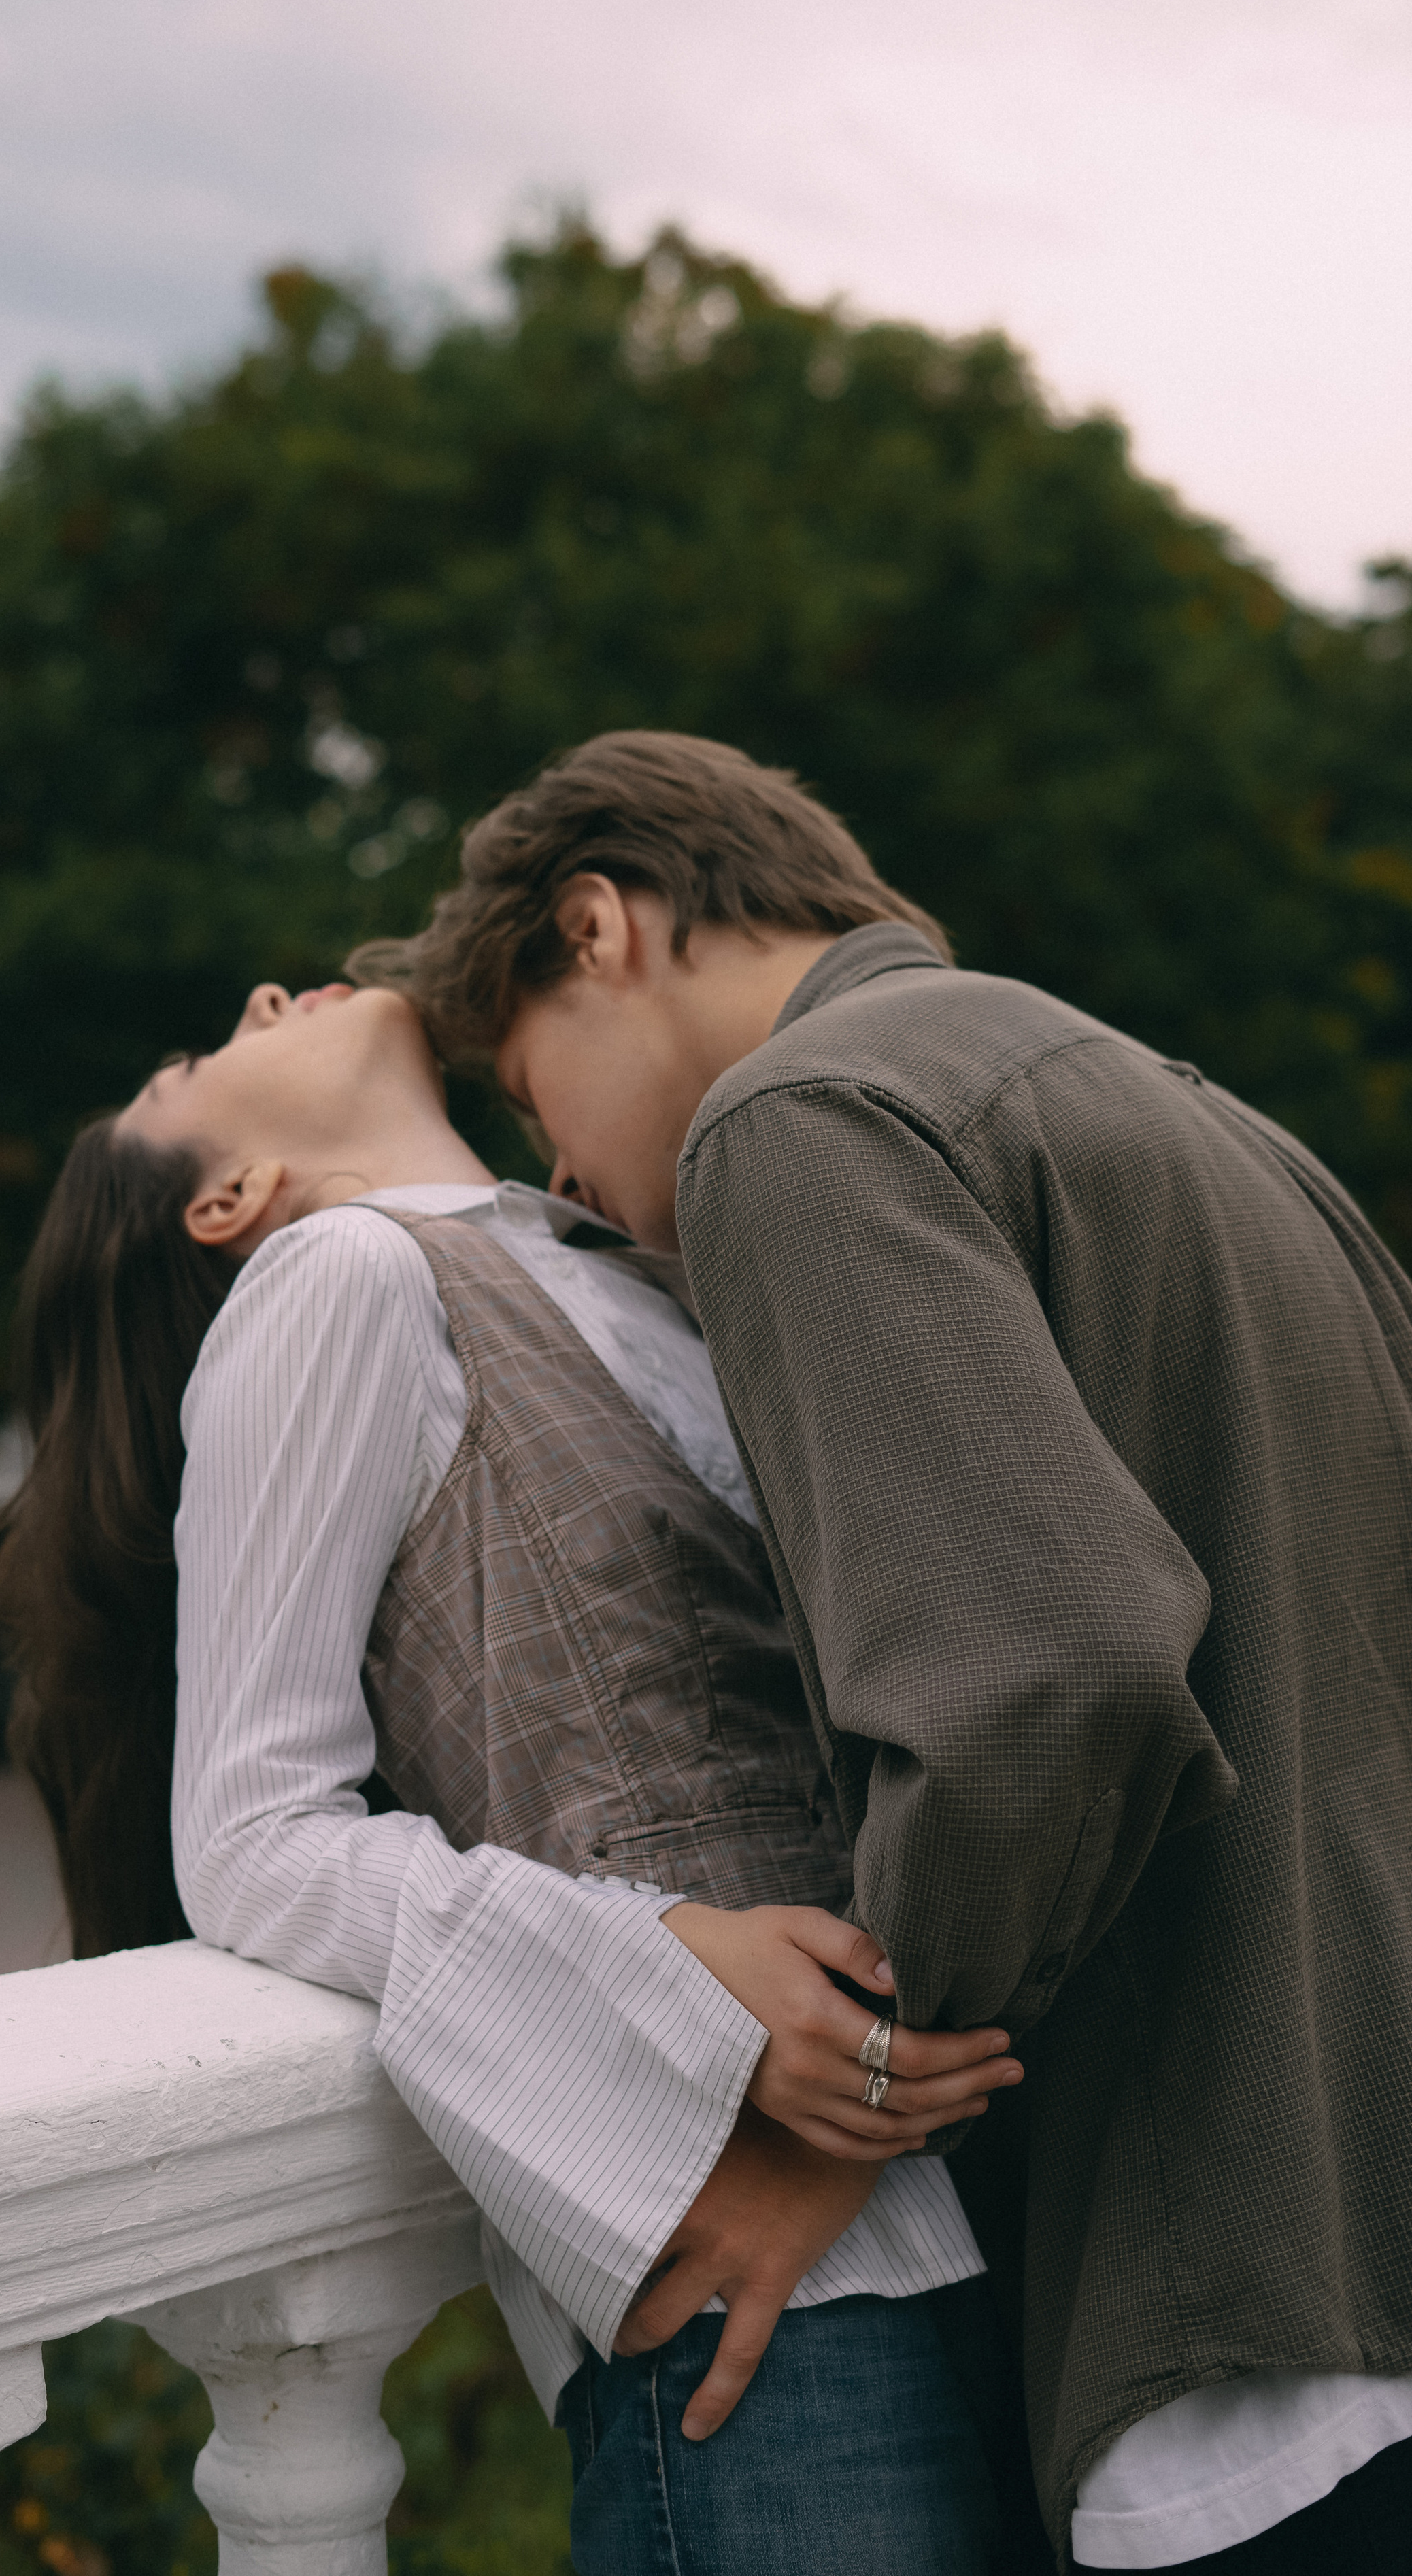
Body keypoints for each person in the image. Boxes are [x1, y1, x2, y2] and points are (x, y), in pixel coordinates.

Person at [359, 726, 1412, 2573]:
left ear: (599, 925)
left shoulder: (797, 1123)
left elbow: (1046, 1684)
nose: (580, 1193)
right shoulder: (1192, 1112)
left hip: (1239, 2326)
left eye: (536, 1110)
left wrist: (833, 2126)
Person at [0, 972, 1047, 2575]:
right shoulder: (334, 1278)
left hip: (1006, 2211)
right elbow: (255, 1839)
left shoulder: (643, 1256)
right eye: (194, 1058)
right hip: (769, 2306)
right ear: (227, 1197)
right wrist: (671, 1962)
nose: (267, 991)